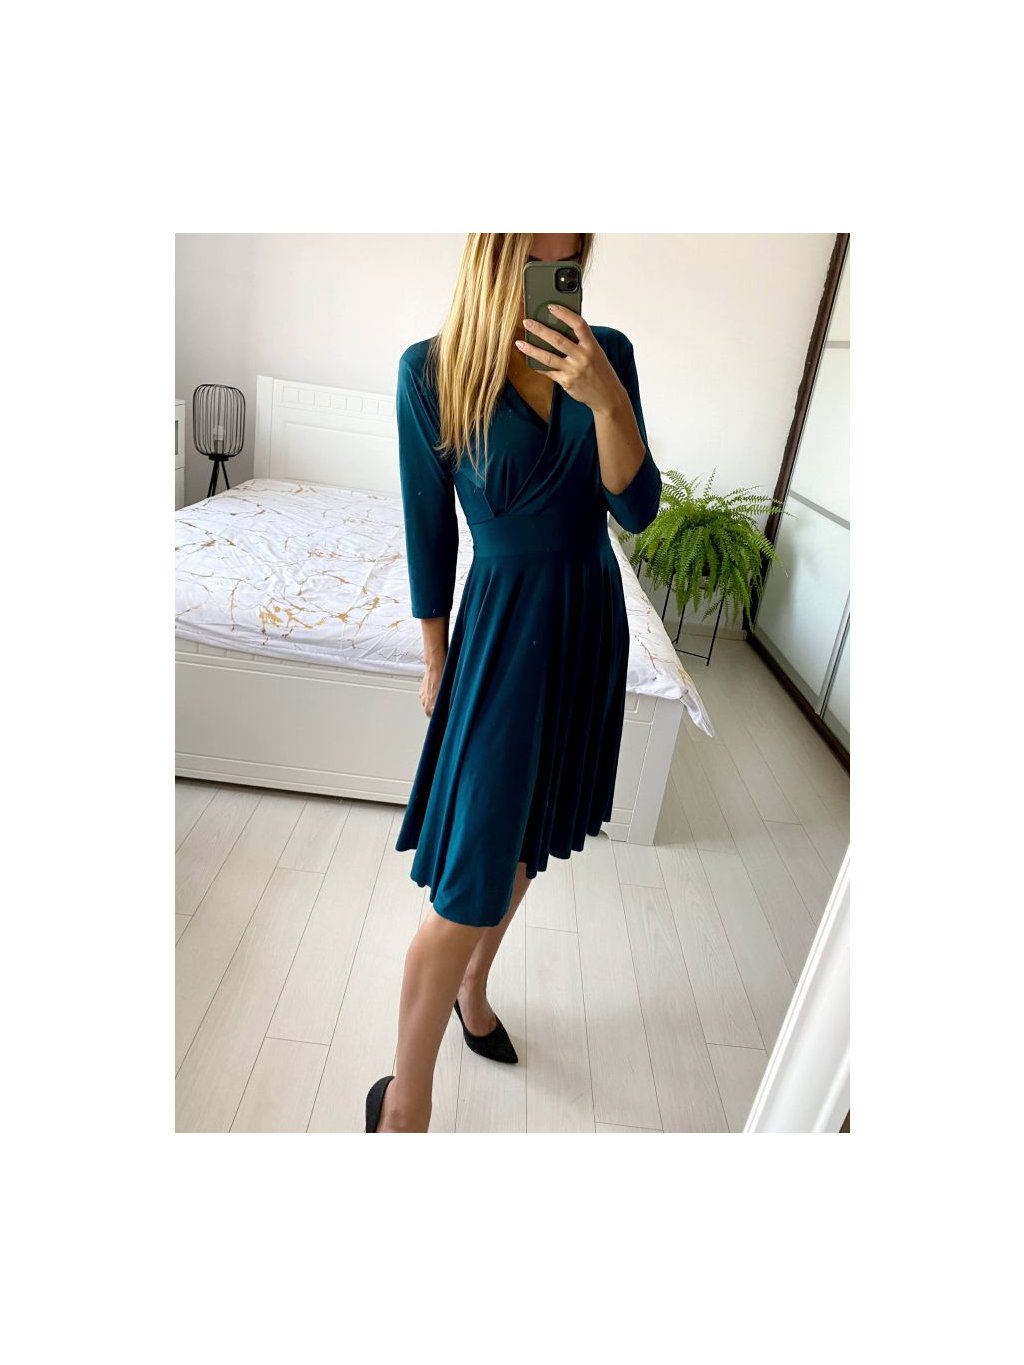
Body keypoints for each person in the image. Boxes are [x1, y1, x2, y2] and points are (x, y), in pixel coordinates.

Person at [366, 233, 663, 1133]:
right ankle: (404, 1104)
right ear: (495, 251)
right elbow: (429, 531)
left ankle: (474, 986)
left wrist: (607, 399)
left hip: (586, 623)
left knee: (528, 838)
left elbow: (636, 508)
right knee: (470, 875)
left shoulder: (607, 355)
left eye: (570, 252)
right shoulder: (431, 372)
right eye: (537, 249)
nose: (557, 268)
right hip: (501, 635)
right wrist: (435, 657)